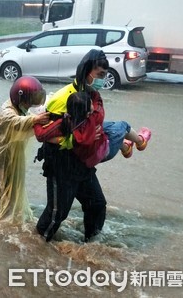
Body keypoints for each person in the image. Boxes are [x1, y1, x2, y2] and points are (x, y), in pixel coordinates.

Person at [35, 49, 150, 242]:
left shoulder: (93, 95)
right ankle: (34, 248)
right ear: (86, 71)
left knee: (96, 205)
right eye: (100, 75)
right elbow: (44, 133)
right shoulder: (62, 99)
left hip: (84, 164)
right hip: (62, 165)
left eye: (105, 75)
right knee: (57, 214)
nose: (102, 80)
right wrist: (74, 140)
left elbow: (91, 124)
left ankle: (92, 246)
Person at [0, 76, 50, 224]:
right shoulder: (7, 112)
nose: (29, 106)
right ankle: (3, 227)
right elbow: (17, 121)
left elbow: (28, 118)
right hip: (2, 159)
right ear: (19, 97)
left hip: (15, 155)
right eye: (28, 103)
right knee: (4, 196)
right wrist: (35, 119)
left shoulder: (20, 109)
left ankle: (14, 220)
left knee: (15, 191)